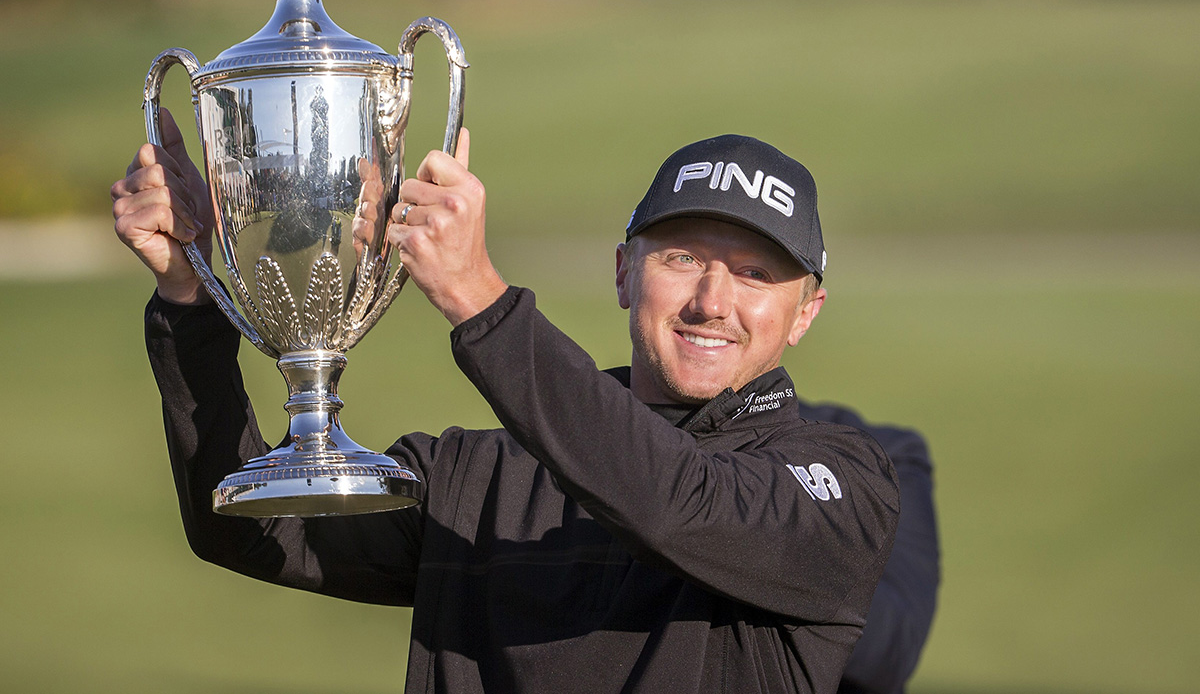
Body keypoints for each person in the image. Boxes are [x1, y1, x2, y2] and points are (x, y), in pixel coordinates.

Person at [112, 117, 937, 694]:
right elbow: (253, 529)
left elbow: (675, 502)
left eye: (757, 274)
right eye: (683, 257)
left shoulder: (841, 485)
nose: (714, 300)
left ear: (806, 314)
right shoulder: (477, 472)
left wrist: (478, 296)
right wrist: (190, 301)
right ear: (624, 274)